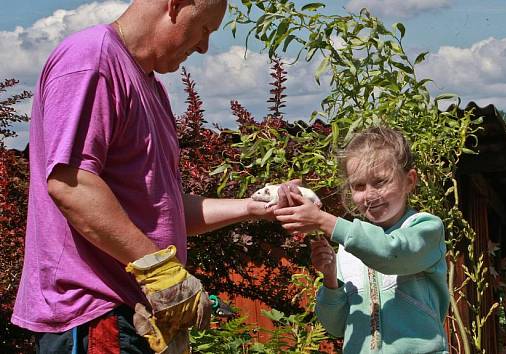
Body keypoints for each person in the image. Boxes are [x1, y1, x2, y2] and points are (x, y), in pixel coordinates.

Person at [11, 0, 295, 352]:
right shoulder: (92, 61)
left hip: (138, 316)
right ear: (175, 5)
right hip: (97, 316)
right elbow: (71, 184)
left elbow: (163, 210)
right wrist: (162, 272)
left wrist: (254, 207)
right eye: (205, 28)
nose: (205, 46)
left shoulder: (151, 88)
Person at [274, 126, 449, 353]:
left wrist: (323, 220)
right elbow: (335, 327)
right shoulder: (349, 249)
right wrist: (330, 279)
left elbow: (390, 253)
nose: (369, 195)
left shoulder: (426, 229)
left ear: (409, 181)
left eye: (380, 182)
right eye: (358, 186)